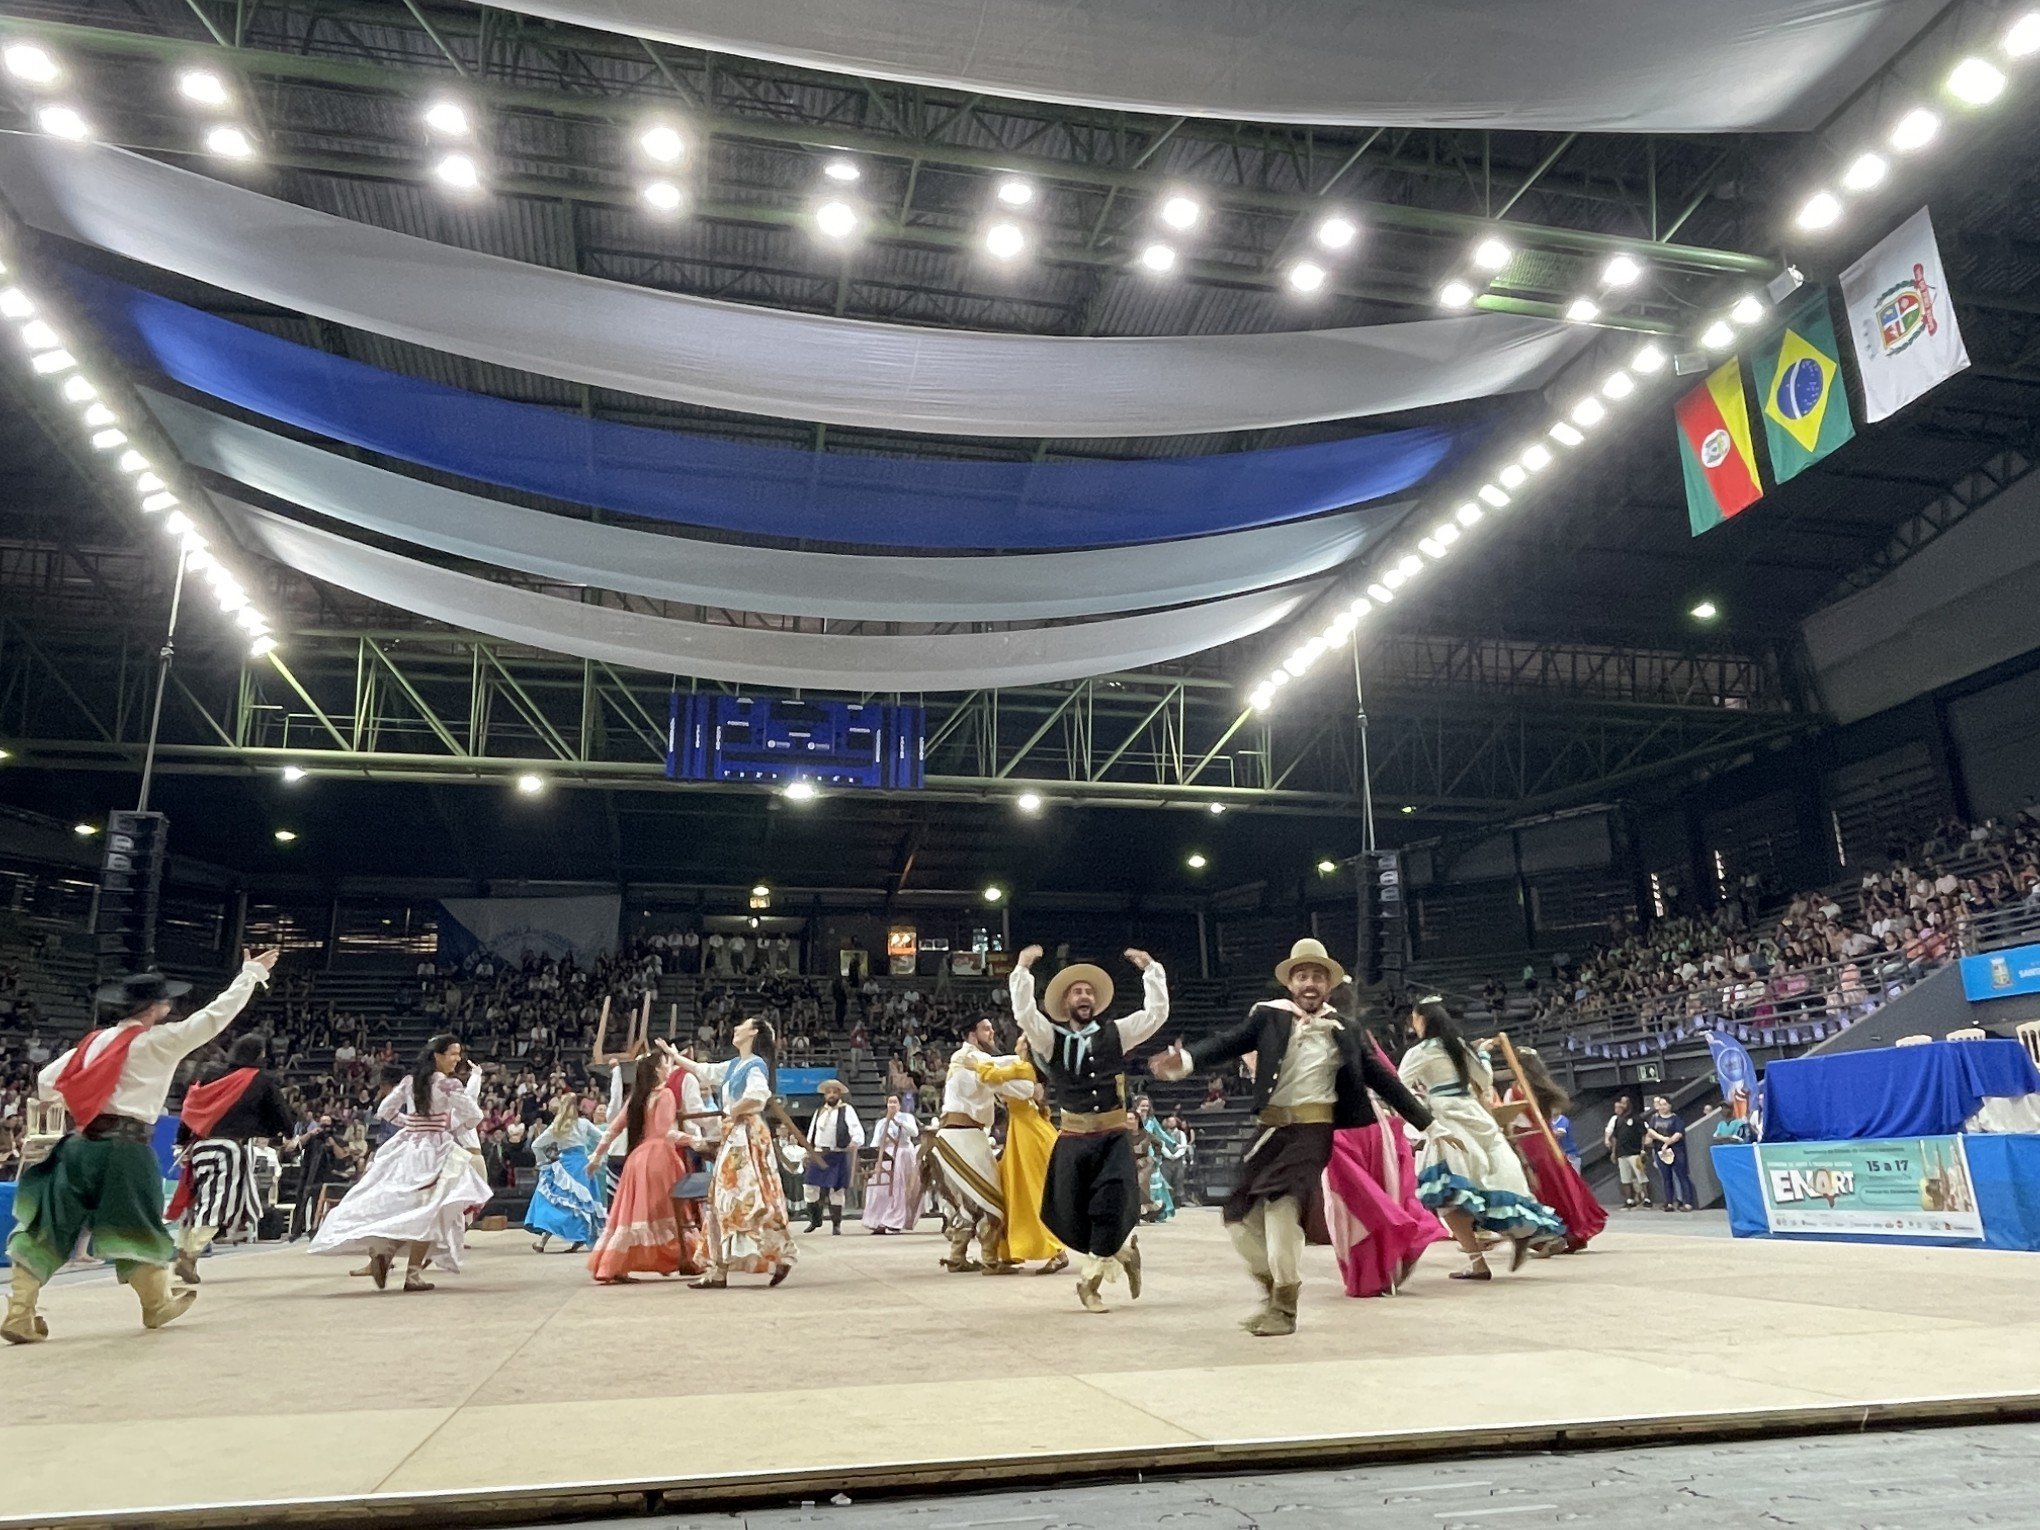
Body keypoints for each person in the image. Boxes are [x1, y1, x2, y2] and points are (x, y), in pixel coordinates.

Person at [1153, 938, 1432, 1337]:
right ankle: (1272, 1289)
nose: (1310, 983)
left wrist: (1429, 1124)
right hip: (1269, 1129)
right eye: (1303, 976)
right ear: (1291, 984)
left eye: (1318, 977)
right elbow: (1227, 1042)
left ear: (1329, 986)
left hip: (1312, 1130)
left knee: (1281, 1205)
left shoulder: (1345, 1029)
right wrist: (1184, 1061)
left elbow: (1384, 1080)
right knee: (1235, 1216)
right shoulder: (1269, 1018)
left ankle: (1285, 1306)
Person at [5, 953, 279, 1344]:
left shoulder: (92, 1042)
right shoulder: (159, 1042)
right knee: (136, 1224)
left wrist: (92, 1101)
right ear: (156, 1007)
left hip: (80, 1145)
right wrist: (251, 975)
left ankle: (19, 1311)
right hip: (126, 1148)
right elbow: (215, 1017)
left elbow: (48, 1082)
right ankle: (156, 1304)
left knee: (45, 1226)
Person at [1009, 945, 1170, 1311]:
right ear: (1066, 1002)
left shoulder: (1117, 1033)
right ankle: (1123, 1253)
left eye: (1088, 992)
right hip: (1073, 1139)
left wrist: (1150, 969)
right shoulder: (1050, 1038)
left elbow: (1156, 1013)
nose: (1084, 996)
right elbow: (1024, 1012)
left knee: (1110, 1204)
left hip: (1112, 1138)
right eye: (1077, 992)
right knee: (1066, 1212)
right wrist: (1022, 968)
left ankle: (1090, 1284)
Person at [1397, 998, 1568, 1283]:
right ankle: (1516, 1237)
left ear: (1422, 1020)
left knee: (1448, 1195)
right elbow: (1485, 1080)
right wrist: (1484, 1055)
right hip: (1474, 1114)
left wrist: (1414, 1116)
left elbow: (1399, 1085)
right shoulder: (1460, 1046)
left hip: (1447, 1118)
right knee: (1490, 1182)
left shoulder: (1421, 1052)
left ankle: (1478, 1263)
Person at [309, 1034, 492, 1291]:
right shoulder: (448, 1085)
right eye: (453, 1053)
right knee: (431, 1211)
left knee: (406, 1207)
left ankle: (385, 1254)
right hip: (435, 1151)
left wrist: (411, 1123)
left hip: (407, 1148)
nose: (457, 1058)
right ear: (437, 1055)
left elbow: (385, 1110)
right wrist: (446, 1124)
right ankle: (412, 1274)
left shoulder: (410, 1081)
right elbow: (474, 1115)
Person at [1321, 1030, 1451, 1299]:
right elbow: (1389, 1076)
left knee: (1352, 1205)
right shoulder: (1357, 1032)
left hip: (1337, 1128)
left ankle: (1372, 1274)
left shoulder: (1312, 1034)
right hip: (1376, 1125)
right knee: (1383, 1193)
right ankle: (1391, 1263)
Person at [671, 1021, 796, 1287]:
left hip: (746, 1136)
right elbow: (703, 1071)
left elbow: (758, 1096)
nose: (736, 1027)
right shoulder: (734, 1066)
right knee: (723, 1198)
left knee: (748, 1197)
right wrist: (674, 1056)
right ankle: (719, 1269)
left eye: (743, 1025)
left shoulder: (755, 1065)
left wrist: (732, 1110)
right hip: (735, 1136)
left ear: (753, 1032)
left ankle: (778, 1254)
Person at [169, 1032, 296, 1283]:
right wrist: (287, 1134)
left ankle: (185, 1249)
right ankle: (191, 1253)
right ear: (259, 1054)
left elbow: (192, 1107)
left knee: (196, 1202)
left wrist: (181, 1141)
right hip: (229, 1148)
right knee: (219, 1203)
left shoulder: (210, 1075)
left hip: (199, 1147)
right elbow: (280, 1113)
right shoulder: (261, 1079)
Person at [926, 1016, 1035, 1273]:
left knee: (969, 1203)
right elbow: (1002, 1069)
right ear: (972, 1035)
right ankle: (989, 1259)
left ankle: (957, 1256)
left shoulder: (973, 1061)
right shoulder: (969, 1057)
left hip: (959, 1136)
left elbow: (1002, 1076)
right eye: (986, 1028)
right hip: (963, 1137)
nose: (992, 1032)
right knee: (992, 1201)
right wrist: (1024, 1060)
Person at [586, 1047, 704, 1281]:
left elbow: (613, 1130)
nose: (670, 1068)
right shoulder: (665, 1095)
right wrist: (696, 1141)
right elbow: (664, 1132)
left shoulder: (638, 1098)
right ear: (659, 1071)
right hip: (659, 1159)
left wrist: (596, 1157)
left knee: (633, 1214)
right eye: (666, 1064)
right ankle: (683, 1258)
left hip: (636, 1160)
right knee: (669, 1212)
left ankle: (616, 1265)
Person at [1495, 1044, 1606, 1253]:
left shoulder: (1516, 1090)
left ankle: (1548, 1234)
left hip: (1528, 1142)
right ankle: (1572, 1232)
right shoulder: (1542, 1088)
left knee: (1538, 1189)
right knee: (1561, 1185)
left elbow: (1512, 1122)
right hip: (1547, 1142)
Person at [972, 1041, 1068, 1274]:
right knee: (1015, 1189)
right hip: (1021, 1130)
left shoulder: (1025, 1070)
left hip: (1030, 1134)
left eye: (1022, 1041)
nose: (1017, 1043)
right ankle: (1014, 1247)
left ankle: (1057, 1250)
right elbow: (996, 1068)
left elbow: (993, 1076)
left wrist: (976, 1064)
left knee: (1034, 1190)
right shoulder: (1018, 1067)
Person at [525, 1093, 605, 1254]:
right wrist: (596, 1156)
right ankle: (582, 1238)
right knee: (581, 1203)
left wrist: (542, 1162)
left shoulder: (557, 1125)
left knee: (554, 1201)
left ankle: (542, 1241)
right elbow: (603, 1138)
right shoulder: (583, 1123)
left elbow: (536, 1145)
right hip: (582, 1165)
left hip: (565, 1166)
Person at [801, 1078, 864, 1235]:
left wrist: (856, 1141)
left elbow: (856, 1128)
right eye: (828, 1092)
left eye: (834, 1092)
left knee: (836, 1191)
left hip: (837, 1153)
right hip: (819, 1154)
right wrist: (808, 1151)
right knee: (809, 1187)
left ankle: (836, 1225)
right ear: (825, 1095)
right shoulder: (819, 1112)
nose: (831, 1095)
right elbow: (811, 1133)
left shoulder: (846, 1110)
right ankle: (815, 1219)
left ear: (839, 1094)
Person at [860, 1094, 922, 1234]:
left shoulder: (906, 1118)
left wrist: (897, 1121)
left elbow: (914, 1132)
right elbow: (876, 1141)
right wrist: (874, 1157)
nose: (892, 1105)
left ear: (899, 1105)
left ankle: (894, 1222)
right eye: (890, 1102)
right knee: (878, 1187)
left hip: (903, 1153)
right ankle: (878, 1220)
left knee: (898, 1188)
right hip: (886, 1155)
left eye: (895, 1102)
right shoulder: (882, 1122)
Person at [1645, 1095, 1695, 1211]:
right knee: (1666, 1178)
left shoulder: (1676, 1119)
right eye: (1660, 1105)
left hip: (1676, 1151)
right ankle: (1669, 1202)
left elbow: (1678, 1135)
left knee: (1682, 1176)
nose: (1662, 1107)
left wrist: (1667, 1144)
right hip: (1661, 1152)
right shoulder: (1654, 1119)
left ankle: (1687, 1202)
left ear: (1670, 1105)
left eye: (1665, 1104)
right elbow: (1651, 1131)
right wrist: (1663, 1139)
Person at [1604, 1094, 1652, 1209]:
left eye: (1624, 1103)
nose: (1622, 1104)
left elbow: (1643, 1134)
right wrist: (1614, 1152)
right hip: (1622, 1153)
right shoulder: (1618, 1120)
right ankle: (1629, 1199)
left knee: (1641, 1176)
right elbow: (1615, 1137)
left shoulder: (1637, 1118)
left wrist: (1643, 1150)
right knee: (1625, 1178)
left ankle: (1646, 1198)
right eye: (1621, 1102)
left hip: (1635, 1153)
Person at [1134, 1097, 1177, 1222]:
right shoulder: (1133, 1120)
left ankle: (1154, 1211)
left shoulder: (1152, 1121)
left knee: (1155, 1185)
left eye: (1147, 1106)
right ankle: (1142, 1210)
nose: (1145, 1108)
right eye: (1142, 1105)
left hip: (1150, 1157)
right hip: (1136, 1156)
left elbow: (1160, 1134)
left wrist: (1173, 1143)